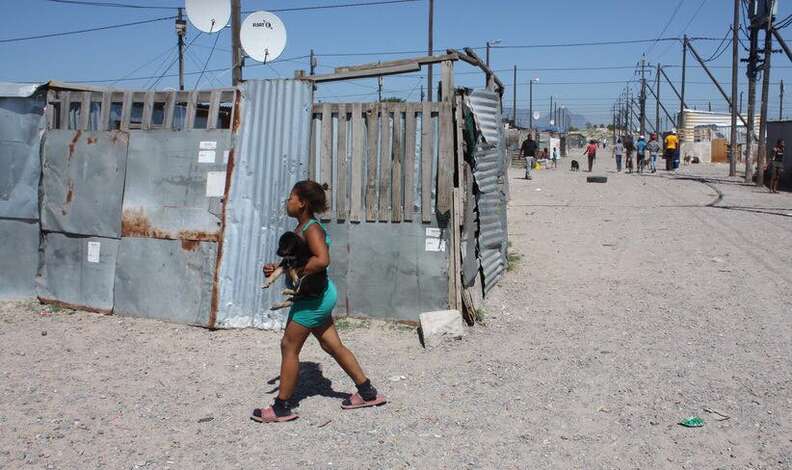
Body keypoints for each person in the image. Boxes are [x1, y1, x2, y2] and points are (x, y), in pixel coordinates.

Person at [253, 180, 385, 423]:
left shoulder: (311, 229)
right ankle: (367, 392)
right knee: (332, 345)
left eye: (291, 197)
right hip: (320, 295)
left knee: (289, 346)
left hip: (312, 300)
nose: (288, 201)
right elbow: (298, 259)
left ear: (302, 202)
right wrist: (278, 268)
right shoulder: (301, 227)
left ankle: (281, 407)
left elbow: (322, 260)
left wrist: (298, 270)